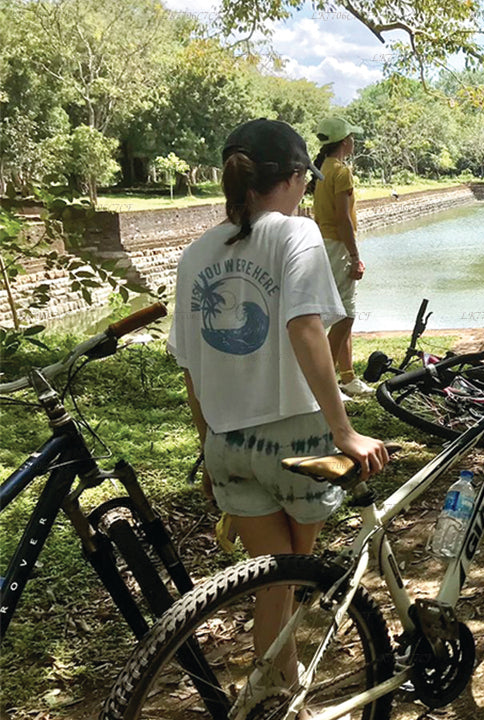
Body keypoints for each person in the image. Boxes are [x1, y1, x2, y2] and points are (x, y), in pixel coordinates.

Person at [168, 118, 389, 699]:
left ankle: (272, 699)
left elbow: (191, 368)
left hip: (227, 444)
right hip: (296, 440)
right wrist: (344, 432)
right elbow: (306, 327)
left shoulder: (194, 255)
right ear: (293, 179)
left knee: (274, 582)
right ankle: (279, 695)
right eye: (302, 182)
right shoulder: (297, 234)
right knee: (292, 578)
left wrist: (206, 448)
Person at [310, 116, 370, 397]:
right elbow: (343, 218)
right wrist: (355, 254)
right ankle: (325, 384)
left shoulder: (323, 168)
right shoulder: (342, 171)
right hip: (338, 245)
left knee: (342, 309)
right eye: (351, 138)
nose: (353, 141)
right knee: (345, 314)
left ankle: (347, 377)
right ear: (345, 142)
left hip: (325, 244)